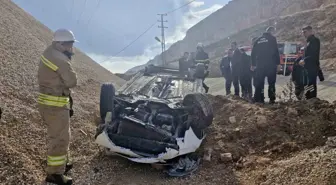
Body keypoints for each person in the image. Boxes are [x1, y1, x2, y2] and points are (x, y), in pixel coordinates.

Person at [38, 28, 78, 185]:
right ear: (60, 44)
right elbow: (72, 82)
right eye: (68, 45)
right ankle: (54, 174)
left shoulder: (50, 52)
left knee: (61, 136)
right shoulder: (59, 58)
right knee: (60, 138)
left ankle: (62, 165)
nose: (71, 48)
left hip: (51, 104)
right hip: (55, 106)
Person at [251, 26, 281, 104]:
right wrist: (278, 64)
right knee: (271, 83)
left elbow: (253, 53)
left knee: (260, 83)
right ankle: (271, 99)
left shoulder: (258, 40)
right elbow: (276, 52)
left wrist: (253, 64)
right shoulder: (272, 39)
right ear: (271, 32)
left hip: (260, 66)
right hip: (270, 65)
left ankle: (260, 99)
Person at [298, 26, 322, 99]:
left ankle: (312, 98)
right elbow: (306, 54)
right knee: (307, 84)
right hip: (307, 66)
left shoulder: (314, 40)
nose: (303, 34)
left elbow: (313, 54)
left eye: (305, 32)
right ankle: (308, 97)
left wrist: (304, 60)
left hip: (312, 66)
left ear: (310, 31)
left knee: (311, 83)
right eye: (303, 32)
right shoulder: (308, 41)